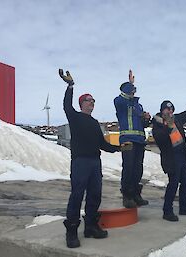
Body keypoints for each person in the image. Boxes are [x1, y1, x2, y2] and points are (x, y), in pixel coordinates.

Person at [59, 69, 119, 248]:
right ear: (82, 103)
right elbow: (66, 106)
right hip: (80, 162)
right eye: (89, 100)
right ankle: (71, 231)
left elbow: (103, 144)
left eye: (93, 100)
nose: (92, 102)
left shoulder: (94, 123)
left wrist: (119, 148)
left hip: (95, 162)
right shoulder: (75, 117)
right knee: (77, 195)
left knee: (95, 195)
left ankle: (91, 226)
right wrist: (70, 86)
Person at [152, 88, 186, 222]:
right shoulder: (157, 124)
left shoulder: (177, 119)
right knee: (173, 184)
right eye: (167, 109)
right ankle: (167, 211)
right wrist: (168, 126)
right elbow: (160, 139)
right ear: (162, 111)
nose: (169, 111)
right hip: (170, 158)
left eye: (171, 109)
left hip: (181, 157)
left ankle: (184, 208)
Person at [114, 70, 151, 208]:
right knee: (128, 168)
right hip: (127, 139)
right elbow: (121, 99)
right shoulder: (120, 102)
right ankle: (127, 196)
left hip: (140, 141)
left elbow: (142, 124)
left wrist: (146, 119)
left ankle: (136, 194)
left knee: (137, 169)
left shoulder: (138, 106)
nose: (134, 91)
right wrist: (130, 83)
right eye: (131, 90)